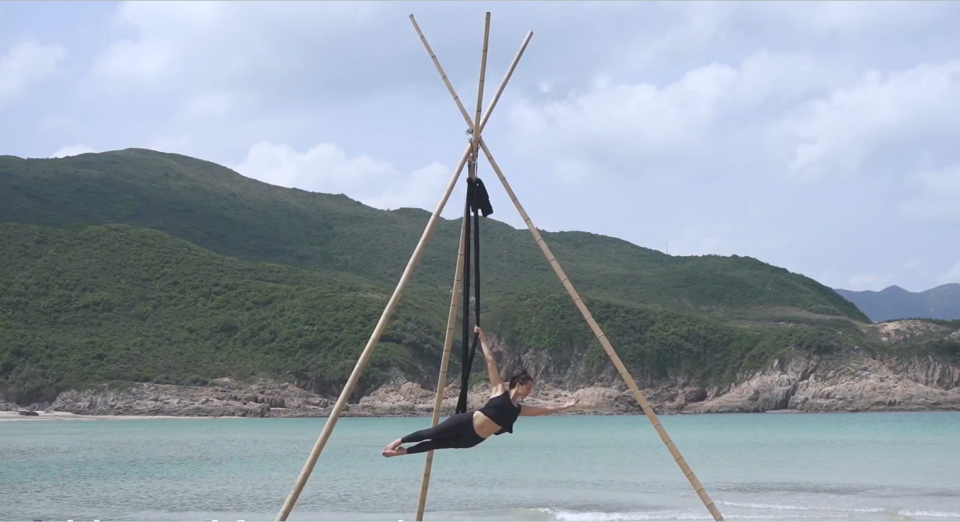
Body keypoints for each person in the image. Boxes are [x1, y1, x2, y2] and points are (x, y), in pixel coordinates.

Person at [381, 325, 578, 457]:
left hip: (473, 439)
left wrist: (564, 406)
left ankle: (403, 453)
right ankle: (397, 441)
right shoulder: (499, 390)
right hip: (465, 422)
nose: (529, 391)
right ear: (518, 383)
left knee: (436, 444)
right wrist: (483, 339)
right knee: (432, 433)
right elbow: (491, 362)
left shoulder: (519, 409)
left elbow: (544, 410)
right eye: (528, 387)